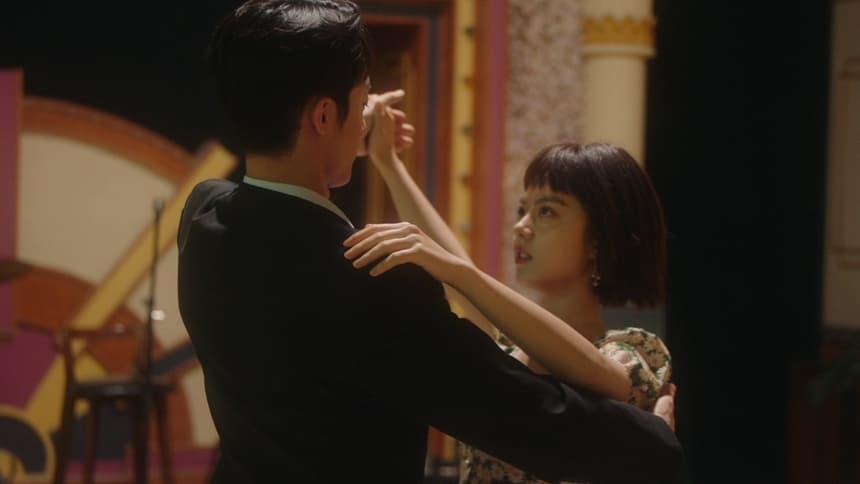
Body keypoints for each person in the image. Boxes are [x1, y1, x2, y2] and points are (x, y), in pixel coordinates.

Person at [177, 1, 682, 483]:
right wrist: (652, 441)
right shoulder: (369, 280)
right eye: (362, 98)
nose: (523, 227)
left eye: (547, 211)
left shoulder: (203, 218)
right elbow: (526, 415)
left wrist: (363, 145)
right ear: (325, 116)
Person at [344, 103, 677, 483]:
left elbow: (602, 376)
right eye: (523, 210)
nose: (521, 227)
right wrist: (388, 162)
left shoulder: (637, 349)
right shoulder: (505, 348)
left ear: (597, 241)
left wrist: (460, 273)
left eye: (546, 212)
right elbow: (457, 268)